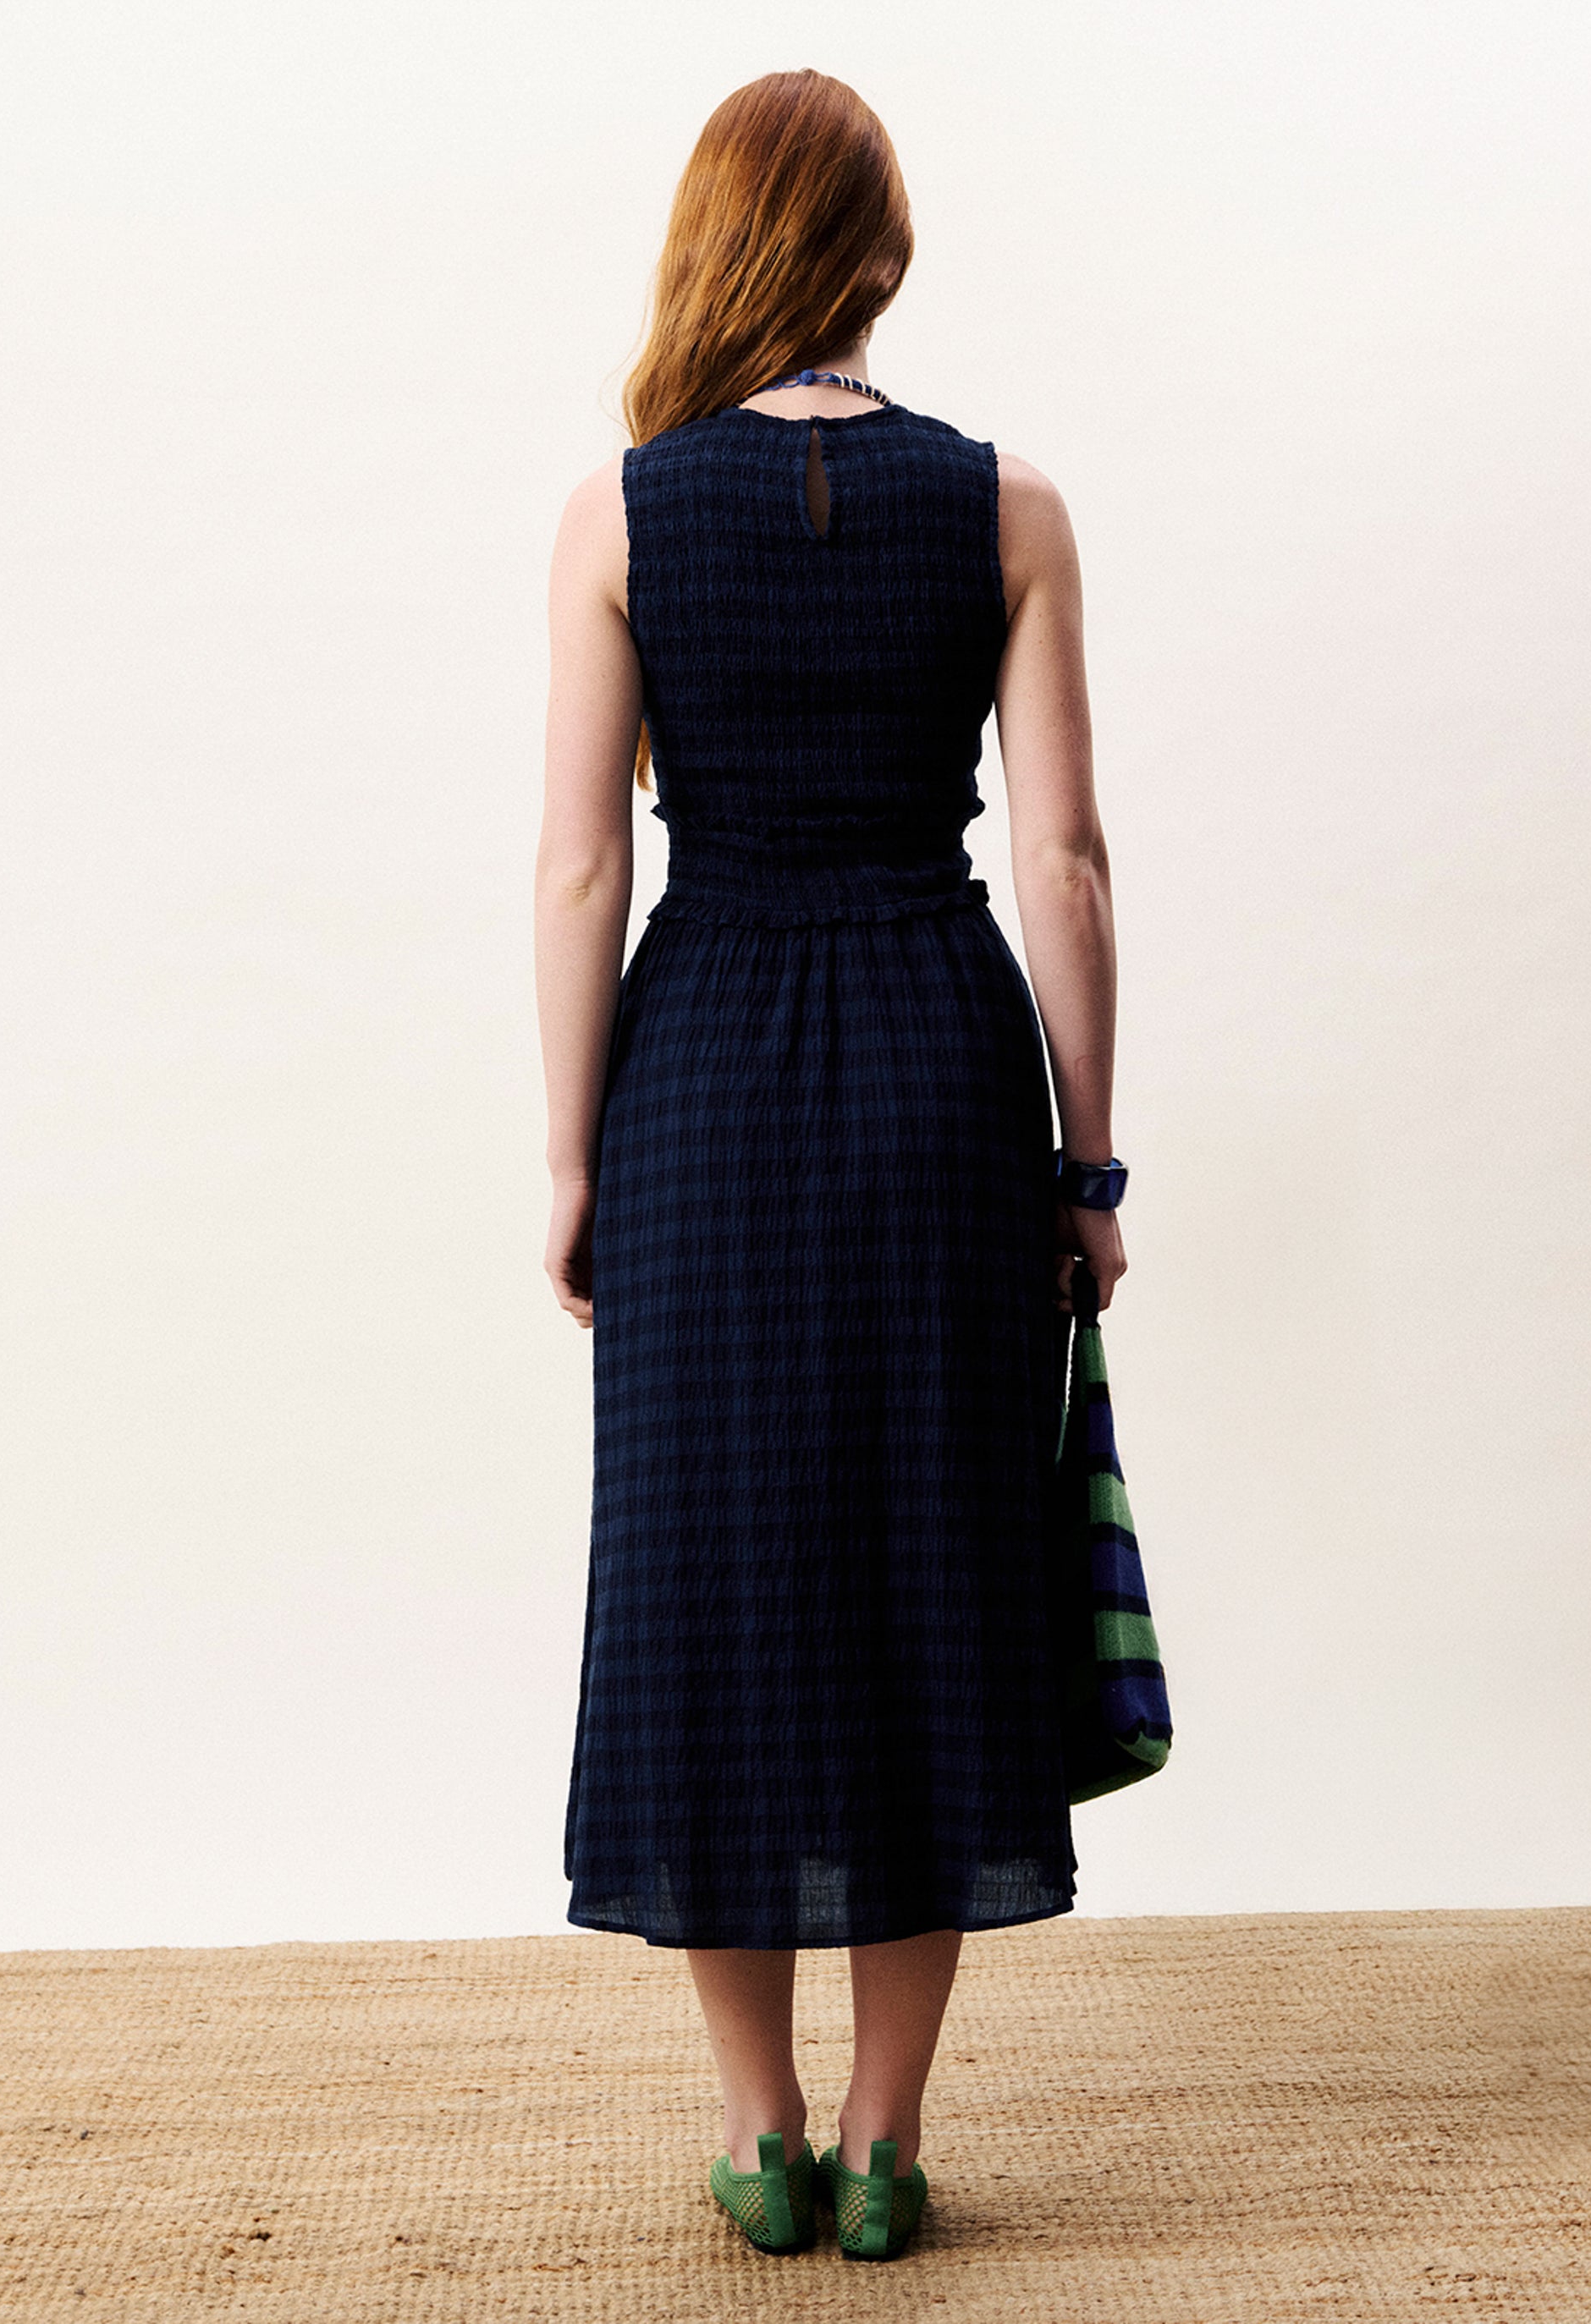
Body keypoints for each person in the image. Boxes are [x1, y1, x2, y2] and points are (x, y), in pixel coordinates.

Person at [534, 69, 1126, 2263]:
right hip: (931, 1062)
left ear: (716, 244)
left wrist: (574, 1146)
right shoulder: (1009, 505)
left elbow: (583, 854)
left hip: (696, 1064)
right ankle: (888, 2143)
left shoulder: (619, 516)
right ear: (881, 252)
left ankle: (756, 2127)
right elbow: (1059, 858)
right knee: (928, 1573)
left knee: (711, 1580)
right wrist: (1090, 1158)